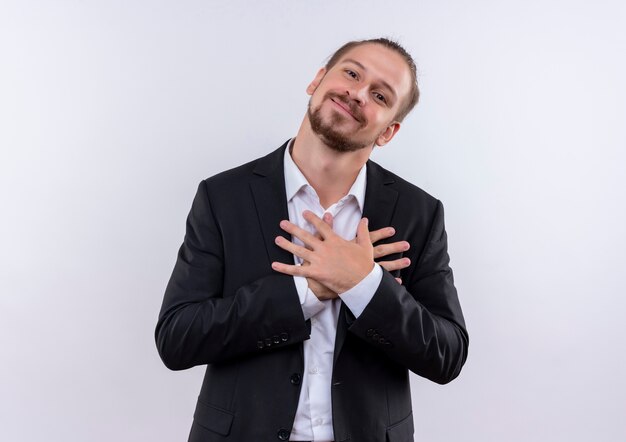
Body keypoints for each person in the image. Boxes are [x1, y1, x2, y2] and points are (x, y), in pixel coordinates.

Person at [156, 37, 468, 442]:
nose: (356, 93)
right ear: (318, 80)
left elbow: (448, 355)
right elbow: (177, 339)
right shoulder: (223, 196)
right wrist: (308, 290)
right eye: (351, 73)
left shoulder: (419, 213)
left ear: (388, 131)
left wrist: (364, 284)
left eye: (379, 94)